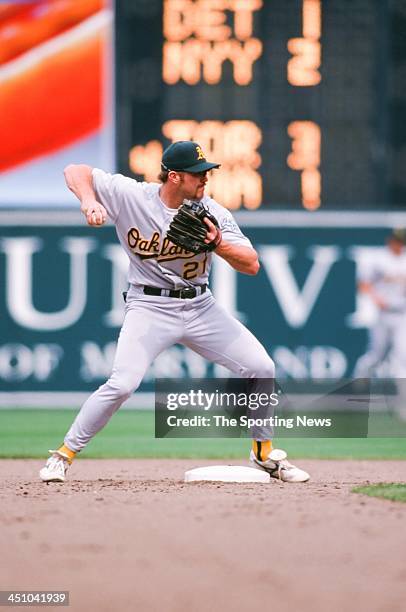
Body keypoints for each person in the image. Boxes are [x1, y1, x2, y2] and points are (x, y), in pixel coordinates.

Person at [39, 141, 309, 483]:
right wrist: (89, 201)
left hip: (200, 305)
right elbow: (75, 171)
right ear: (174, 177)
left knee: (261, 366)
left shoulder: (213, 213)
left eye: (206, 173)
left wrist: (217, 245)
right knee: (122, 383)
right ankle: (63, 455)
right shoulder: (132, 196)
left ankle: (264, 452)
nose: (205, 179)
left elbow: (252, 264)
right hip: (149, 305)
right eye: (197, 174)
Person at [353, 229, 406, 378]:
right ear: (390, 240)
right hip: (382, 314)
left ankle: (403, 398)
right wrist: (376, 299)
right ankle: (358, 382)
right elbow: (363, 284)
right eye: (398, 241)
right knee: (376, 355)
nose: (400, 245)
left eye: (402, 242)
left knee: (403, 355)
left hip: (402, 314)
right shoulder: (379, 259)